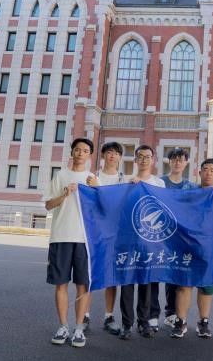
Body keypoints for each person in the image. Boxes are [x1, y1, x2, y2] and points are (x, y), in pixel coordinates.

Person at [169, 158, 213, 339]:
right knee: (184, 285)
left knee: (206, 287)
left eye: (212, 170)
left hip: (210, 249)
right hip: (187, 246)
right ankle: (180, 322)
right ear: (199, 172)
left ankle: (203, 322)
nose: (208, 173)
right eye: (205, 169)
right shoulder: (188, 193)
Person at [43, 137, 98, 348]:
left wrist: (97, 189)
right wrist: (64, 195)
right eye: (77, 149)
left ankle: (79, 329)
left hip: (85, 239)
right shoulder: (61, 176)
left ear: (89, 155)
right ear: (72, 152)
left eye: (85, 150)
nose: (80, 153)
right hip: (61, 236)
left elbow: (103, 208)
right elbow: (48, 205)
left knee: (83, 285)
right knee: (61, 284)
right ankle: (63, 326)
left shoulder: (92, 179)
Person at [118, 144, 165, 340]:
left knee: (146, 283)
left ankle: (144, 322)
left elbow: (162, 208)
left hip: (149, 239)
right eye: (141, 156)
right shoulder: (126, 181)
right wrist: (130, 188)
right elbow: (119, 206)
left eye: (148, 156)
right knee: (127, 282)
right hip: (129, 238)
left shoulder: (159, 183)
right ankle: (126, 324)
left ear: (153, 160)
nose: (144, 160)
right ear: (135, 160)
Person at [156, 148, 197, 331]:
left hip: (183, 237)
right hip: (163, 236)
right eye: (174, 159)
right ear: (169, 162)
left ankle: (173, 313)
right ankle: (161, 314)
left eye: (181, 160)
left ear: (186, 163)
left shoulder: (191, 187)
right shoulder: (160, 183)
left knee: (178, 272)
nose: (177, 163)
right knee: (164, 273)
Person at [95, 141, 125, 335]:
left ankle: (109, 315)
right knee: (89, 275)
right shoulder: (92, 177)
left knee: (112, 276)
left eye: (116, 153)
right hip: (94, 232)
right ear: (103, 155)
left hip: (115, 234)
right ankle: (84, 315)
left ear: (120, 157)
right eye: (109, 152)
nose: (112, 155)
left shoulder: (124, 180)